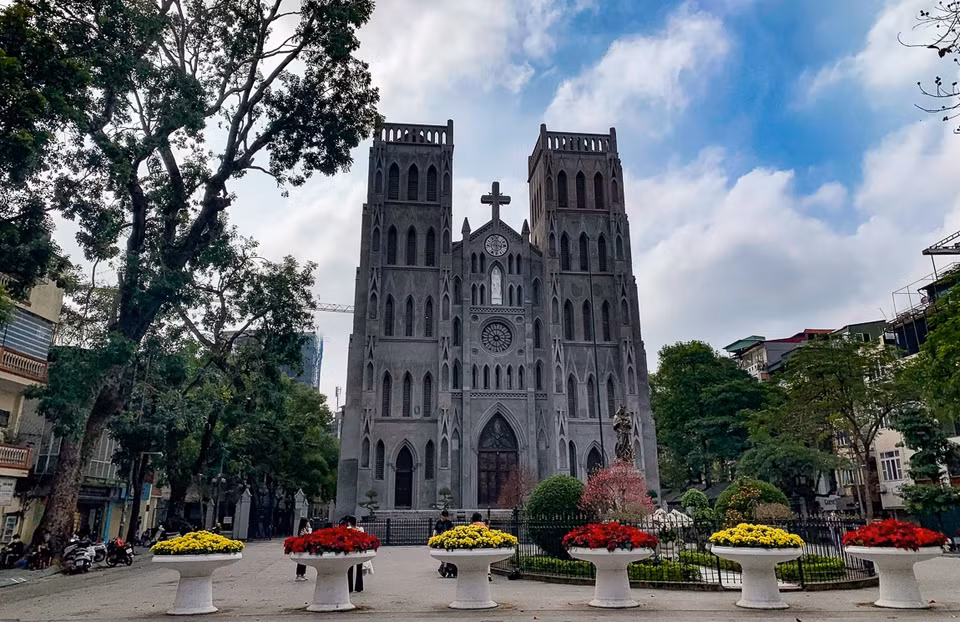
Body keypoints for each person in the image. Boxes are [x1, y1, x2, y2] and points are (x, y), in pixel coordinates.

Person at [342, 516, 365, 593]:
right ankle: (359, 586)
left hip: (350, 550)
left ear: (349, 522)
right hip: (359, 550)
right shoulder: (360, 529)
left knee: (350, 569)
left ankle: (349, 587)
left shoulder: (348, 530)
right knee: (359, 569)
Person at [470, 513, 493, 582]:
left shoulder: (471, 526)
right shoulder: (483, 526)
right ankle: (488, 573)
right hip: (484, 545)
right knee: (486, 560)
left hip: (474, 545)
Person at [434, 510, 455, 577]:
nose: (445, 518)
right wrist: (434, 537)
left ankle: (446, 568)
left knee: (447, 554)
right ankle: (444, 567)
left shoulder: (449, 522)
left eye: (446, 516)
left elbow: (452, 530)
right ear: (441, 516)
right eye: (444, 516)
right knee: (442, 555)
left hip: (447, 540)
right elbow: (436, 530)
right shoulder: (438, 522)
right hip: (440, 539)